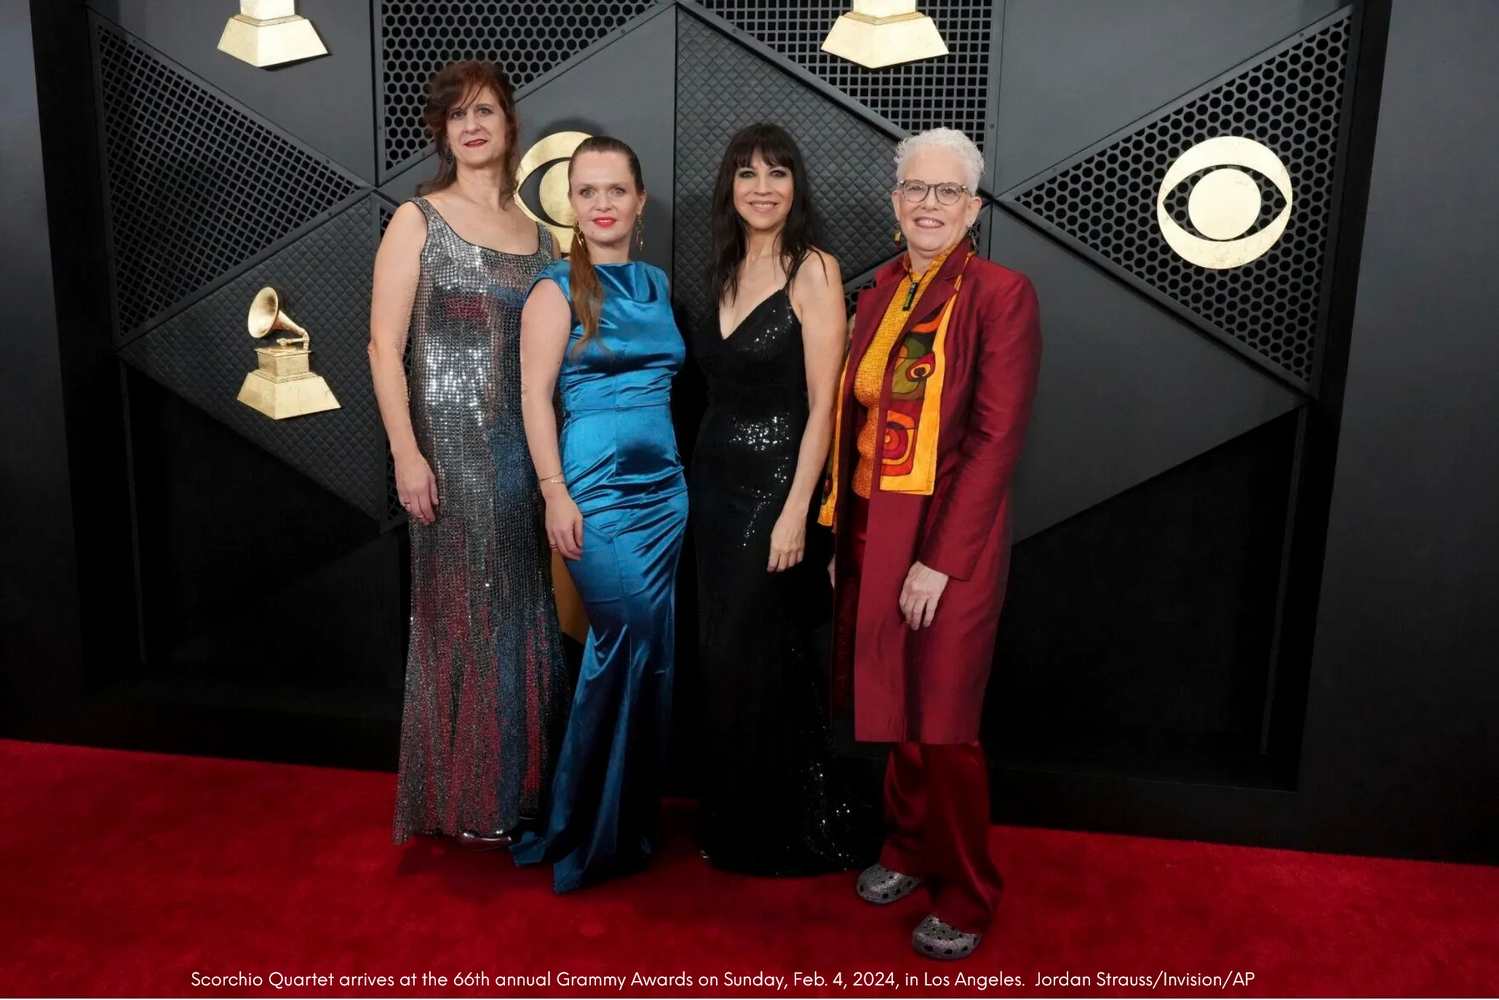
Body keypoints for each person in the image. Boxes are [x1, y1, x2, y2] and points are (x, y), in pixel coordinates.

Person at [819, 128, 1042, 959]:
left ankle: (969, 891)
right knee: (898, 707)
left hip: (953, 538)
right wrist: (846, 528)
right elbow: (858, 420)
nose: (928, 204)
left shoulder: (998, 294)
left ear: (973, 208)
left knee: (942, 720)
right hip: (876, 522)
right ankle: (909, 848)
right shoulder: (879, 295)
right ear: (893, 200)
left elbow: (994, 441)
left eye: (947, 192)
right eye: (915, 188)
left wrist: (939, 561)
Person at [369, 61, 571, 848]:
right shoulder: (419, 218)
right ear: (443, 132)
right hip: (446, 454)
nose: (472, 124)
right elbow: (384, 348)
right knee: (462, 614)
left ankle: (524, 784)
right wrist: (405, 454)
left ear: (508, 121)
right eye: (456, 115)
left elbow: (548, 365)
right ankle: (465, 796)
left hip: (524, 452)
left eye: (484, 109)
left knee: (522, 609)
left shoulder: (543, 236)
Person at [691, 123, 880, 875]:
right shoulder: (724, 267)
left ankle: (778, 825)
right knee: (723, 659)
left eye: (776, 173)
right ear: (729, 189)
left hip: (776, 490)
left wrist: (799, 507)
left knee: (752, 654)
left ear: (796, 185)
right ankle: (735, 819)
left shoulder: (815, 270)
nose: (761, 187)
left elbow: (824, 406)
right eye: (746, 173)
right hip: (709, 489)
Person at [510, 136, 688, 892]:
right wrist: (554, 490)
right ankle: (580, 822)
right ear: (571, 205)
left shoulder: (654, 282)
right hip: (596, 493)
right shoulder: (555, 288)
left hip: (666, 495)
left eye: (616, 190)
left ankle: (626, 822)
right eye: (588, 191)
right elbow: (532, 394)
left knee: (652, 656)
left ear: (639, 200)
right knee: (622, 645)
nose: (603, 203)